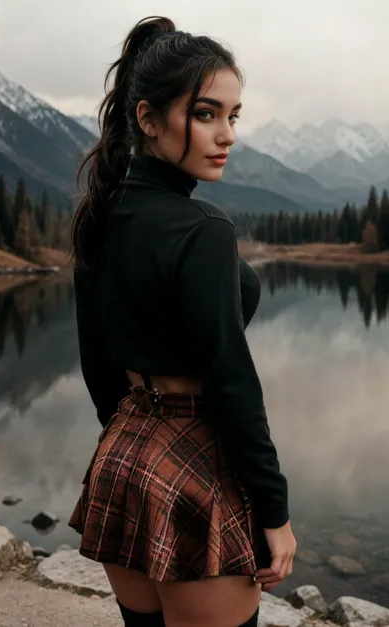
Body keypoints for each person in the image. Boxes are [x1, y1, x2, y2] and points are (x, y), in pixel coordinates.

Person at [69, 15, 296, 627]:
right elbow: (230, 380)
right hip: (195, 459)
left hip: (122, 455)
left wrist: (135, 450)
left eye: (233, 115)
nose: (225, 135)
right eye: (205, 114)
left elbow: (97, 364)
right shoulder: (205, 231)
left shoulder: (100, 215)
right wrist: (274, 513)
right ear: (148, 119)